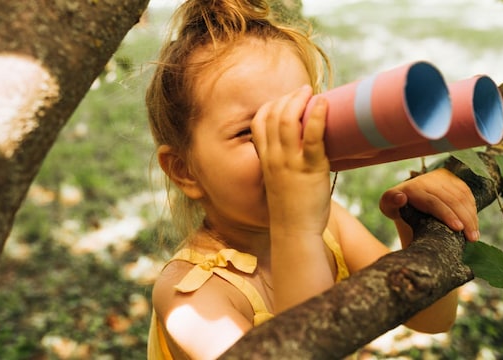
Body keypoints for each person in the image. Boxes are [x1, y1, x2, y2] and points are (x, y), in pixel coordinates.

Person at [145, 0, 480, 358]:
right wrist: (297, 229)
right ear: (185, 170)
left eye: (299, 118)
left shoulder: (329, 221)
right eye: (249, 130)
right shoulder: (191, 296)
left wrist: (419, 228)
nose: (289, 142)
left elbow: (430, 318)